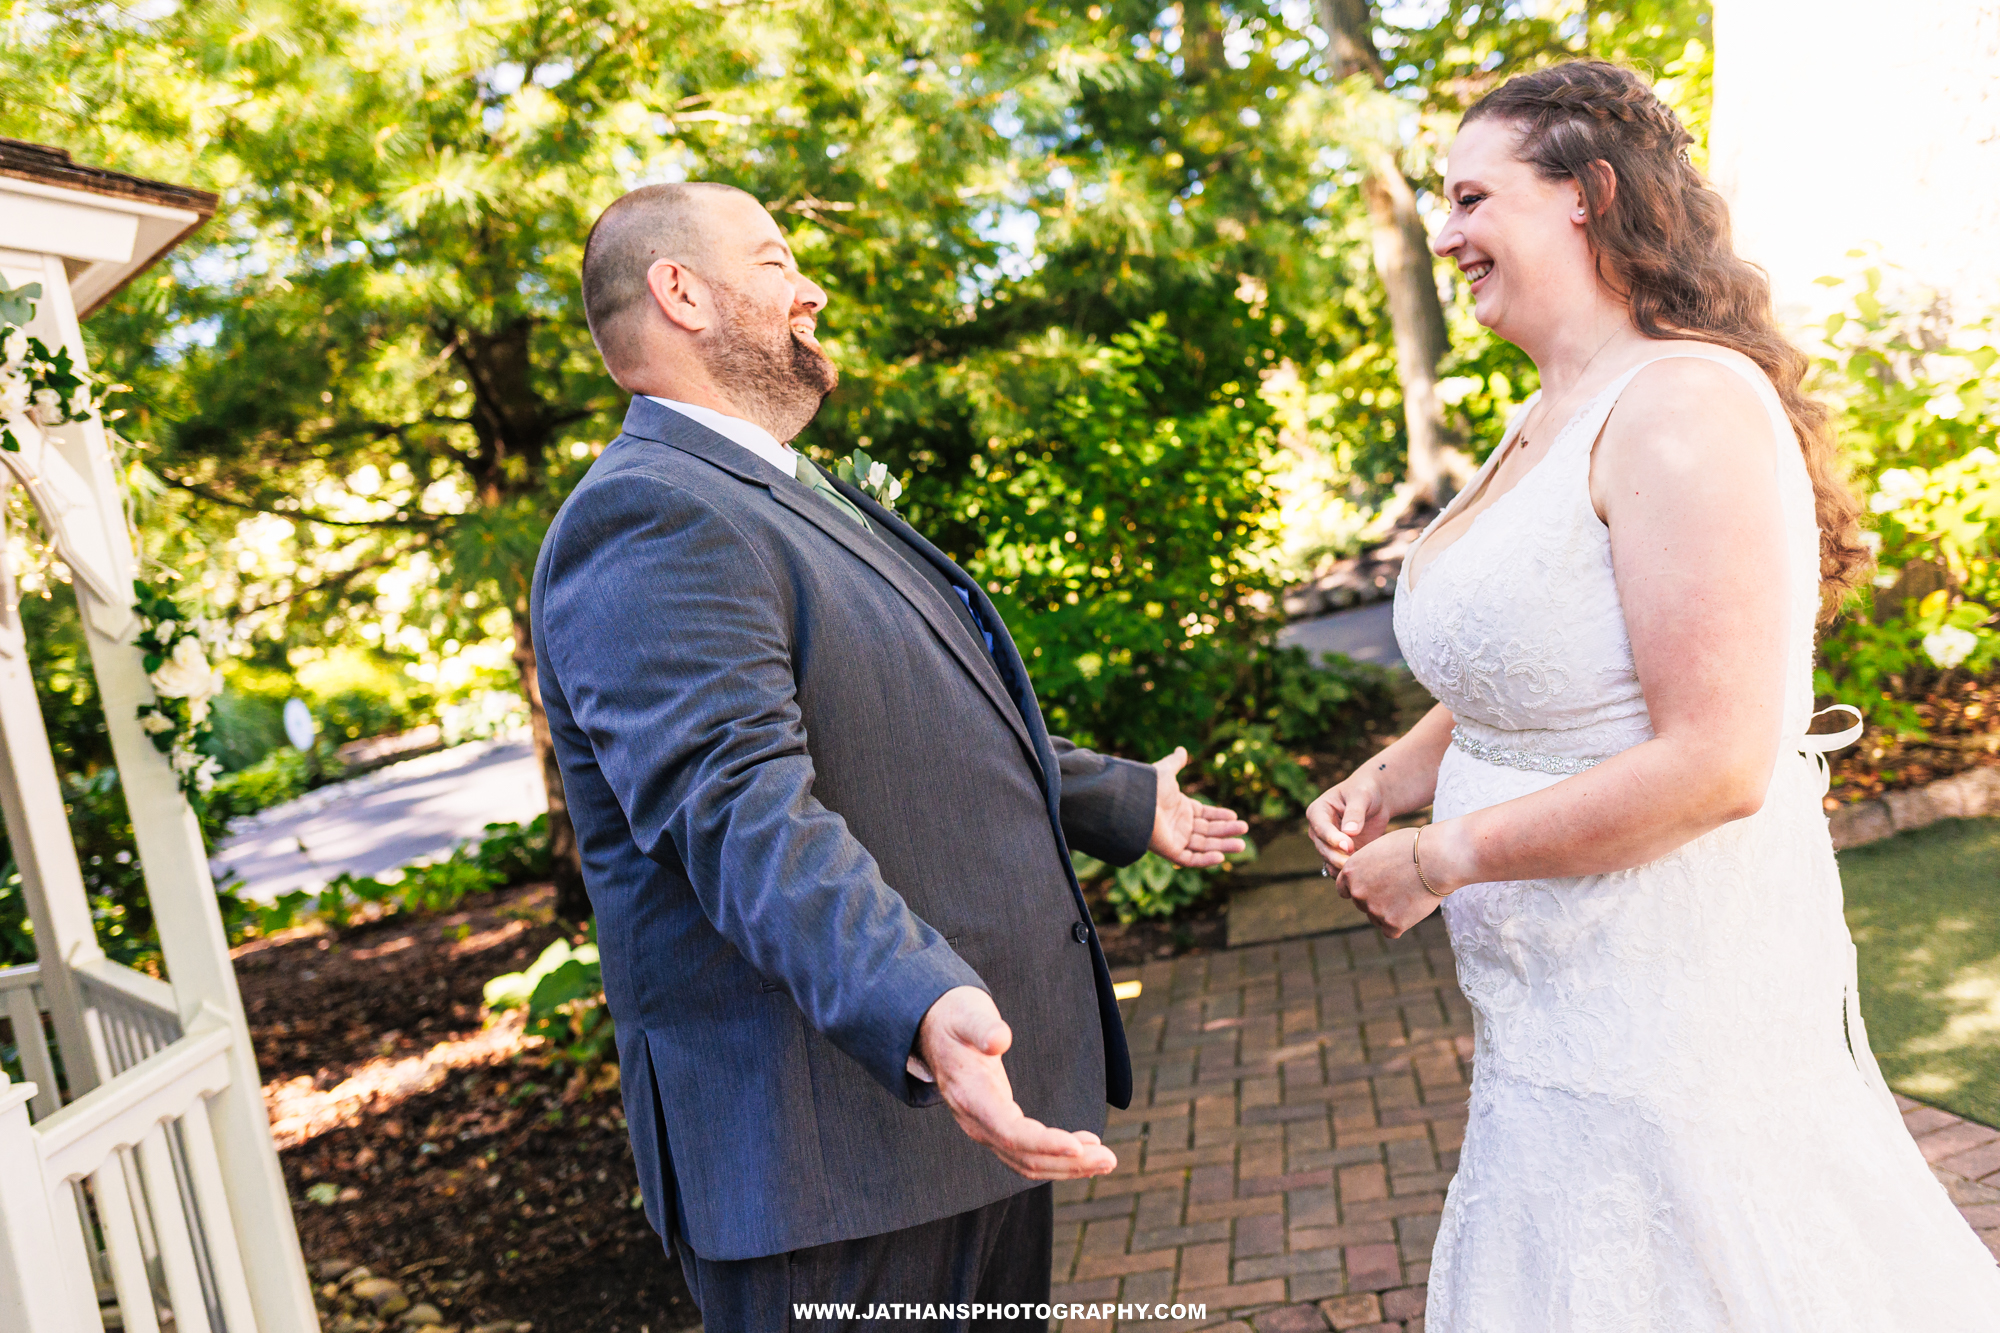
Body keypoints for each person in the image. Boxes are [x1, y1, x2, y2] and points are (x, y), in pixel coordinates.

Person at [1307, 60, 2000, 1331]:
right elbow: (1545, 639)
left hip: (1666, 999)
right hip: (1550, 1013)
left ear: (1587, 195)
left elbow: (1721, 762)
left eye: (1471, 197)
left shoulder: (1680, 404)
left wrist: (1440, 855)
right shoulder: (1542, 412)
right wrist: (1398, 767)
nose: (1444, 232)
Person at [531, 181, 1248, 1328]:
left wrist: (1118, 798)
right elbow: (737, 810)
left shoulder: (764, 489)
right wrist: (913, 1000)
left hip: (944, 1133)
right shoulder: (651, 516)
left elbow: (910, 723)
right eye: (772, 261)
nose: (807, 286)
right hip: (826, 1165)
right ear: (681, 291)